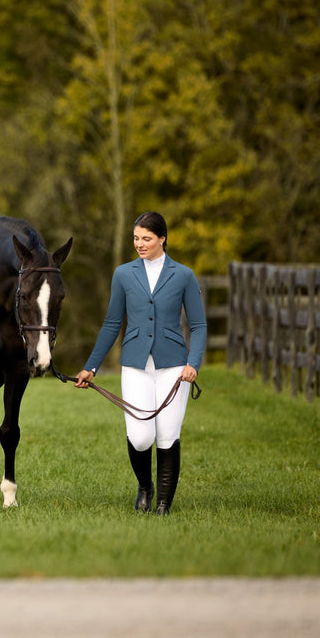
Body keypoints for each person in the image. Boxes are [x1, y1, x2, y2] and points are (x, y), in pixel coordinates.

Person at [74, 212, 206, 515]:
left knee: (168, 435)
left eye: (146, 238)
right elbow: (111, 324)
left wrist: (193, 363)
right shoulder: (123, 274)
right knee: (140, 435)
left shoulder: (184, 275)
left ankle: (163, 504)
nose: (139, 244)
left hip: (174, 366)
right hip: (135, 364)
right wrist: (91, 367)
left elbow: (198, 326)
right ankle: (145, 486)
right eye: (136, 238)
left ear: (162, 238)